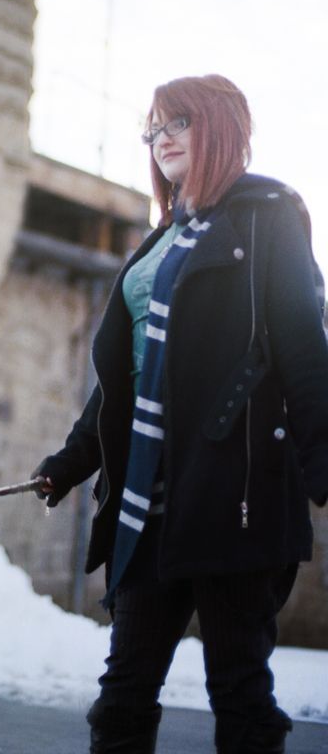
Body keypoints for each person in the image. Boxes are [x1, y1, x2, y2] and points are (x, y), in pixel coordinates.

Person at [31, 75, 328, 754]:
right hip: (147, 502)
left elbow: (305, 345)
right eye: (152, 129)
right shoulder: (161, 239)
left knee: (240, 692)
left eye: (177, 123)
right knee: (123, 695)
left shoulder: (267, 215)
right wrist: (71, 465)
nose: (160, 139)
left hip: (232, 493)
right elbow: (126, 378)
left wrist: (322, 460)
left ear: (219, 126)